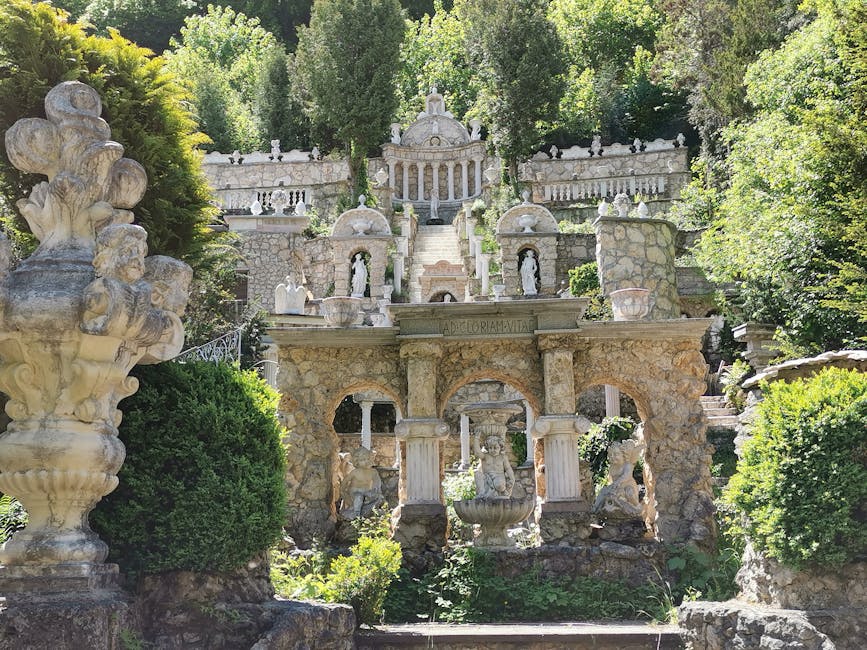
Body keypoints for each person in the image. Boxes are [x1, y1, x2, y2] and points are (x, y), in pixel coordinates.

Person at [472, 433, 514, 498]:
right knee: (477, 473)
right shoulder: (485, 456)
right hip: (486, 477)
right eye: (490, 448)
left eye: (496, 448)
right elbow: (477, 453)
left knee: (499, 485)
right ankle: (482, 493)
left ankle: (501, 491)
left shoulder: (503, 457)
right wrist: (476, 438)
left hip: (498, 476)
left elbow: (508, 468)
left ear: (501, 447)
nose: (493, 450)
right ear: (487, 448)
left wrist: (512, 478)